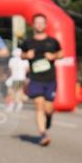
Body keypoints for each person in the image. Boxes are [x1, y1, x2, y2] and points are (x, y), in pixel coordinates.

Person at [20, 13, 62, 146]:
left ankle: (48, 118)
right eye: (36, 22)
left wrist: (54, 55)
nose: (39, 25)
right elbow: (21, 55)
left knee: (48, 108)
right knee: (38, 104)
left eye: (41, 22)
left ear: (45, 24)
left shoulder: (52, 41)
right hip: (35, 79)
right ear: (33, 25)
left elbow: (62, 53)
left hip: (50, 79)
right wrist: (27, 55)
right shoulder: (28, 42)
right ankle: (43, 134)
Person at [5, 47, 30, 112]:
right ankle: (19, 104)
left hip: (15, 78)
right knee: (20, 91)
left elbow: (10, 70)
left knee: (13, 91)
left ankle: (14, 104)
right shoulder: (25, 60)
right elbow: (27, 69)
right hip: (22, 78)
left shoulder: (12, 60)